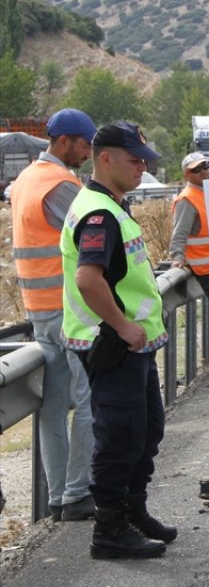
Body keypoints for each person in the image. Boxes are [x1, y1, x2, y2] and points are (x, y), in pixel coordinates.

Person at [60, 122, 174, 559]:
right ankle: (110, 530)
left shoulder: (111, 205)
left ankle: (132, 510)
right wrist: (122, 325)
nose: (142, 167)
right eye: (133, 159)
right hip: (113, 344)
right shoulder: (98, 213)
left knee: (145, 432)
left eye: (144, 159)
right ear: (104, 158)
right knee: (120, 436)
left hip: (132, 346)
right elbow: (89, 279)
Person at [10, 108, 98, 522]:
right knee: (88, 401)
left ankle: (61, 495)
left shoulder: (26, 179)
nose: (87, 153)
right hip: (69, 309)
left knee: (53, 403)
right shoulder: (59, 183)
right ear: (64, 141)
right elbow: (94, 237)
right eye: (84, 145)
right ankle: (78, 492)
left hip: (40, 310)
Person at [170, 153, 209, 330]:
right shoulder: (187, 198)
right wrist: (178, 257)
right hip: (205, 269)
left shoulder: (208, 193)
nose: (203, 172)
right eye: (196, 170)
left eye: (205, 166)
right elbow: (179, 233)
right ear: (187, 175)